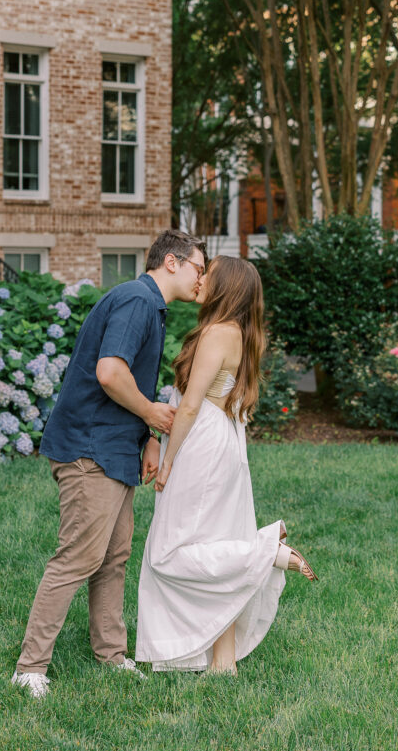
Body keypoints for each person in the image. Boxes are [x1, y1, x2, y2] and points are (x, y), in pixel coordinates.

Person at [12, 229, 207, 697]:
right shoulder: (138, 300)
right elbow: (110, 372)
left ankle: (111, 655)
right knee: (78, 556)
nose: (204, 279)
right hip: (89, 449)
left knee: (113, 557)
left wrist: (150, 439)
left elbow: (129, 380)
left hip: (116, 449)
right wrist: (151, 413)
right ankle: (30, 669)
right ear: (173, 263)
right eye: (200, 268)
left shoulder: (152, 309)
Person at [136, 255, 317, 675]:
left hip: (202, 442)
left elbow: (190, 406)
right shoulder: (241, 333)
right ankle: (223, 661)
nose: (199, 279)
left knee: (169, 552)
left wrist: (167, 462)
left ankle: (266, 551)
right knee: (214, 543)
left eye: (207, 274)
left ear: (225, 287)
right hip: (226, 440)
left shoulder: (217, 332)